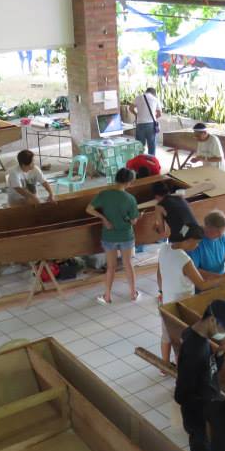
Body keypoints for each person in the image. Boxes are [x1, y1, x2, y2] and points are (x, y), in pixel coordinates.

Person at [174, 299, 225, 451]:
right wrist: (204, 414)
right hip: (199, 412)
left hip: (208, 406)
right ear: (212, 320)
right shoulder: (194, 349)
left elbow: (210, 370)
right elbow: (183, 391)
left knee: (211, 449)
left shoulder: (198, 337)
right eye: (224, 329)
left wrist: (220, 352)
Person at [159, 224, 225, 366]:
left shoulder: (164, 248)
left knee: (167, 335)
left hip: (167, 300)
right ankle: (181, 365)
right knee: (182, 337)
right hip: (182, 303)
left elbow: (161, 272)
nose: (197, 246)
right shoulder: (184, 260)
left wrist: (161, 290)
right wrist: (224, 279)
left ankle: (163, 365)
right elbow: (202, 284)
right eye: (197, 242)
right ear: (188, 240)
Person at [86, 168, 141, 304]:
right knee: (128, 264)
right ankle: (133, 293)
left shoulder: (104, 194)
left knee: (111, 266)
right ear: (128, 182)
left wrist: (103, 218)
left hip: (109, 236)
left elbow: (89, 209)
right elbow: (134, 221)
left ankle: (107, 296)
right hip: (126, 235)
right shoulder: (130, 198)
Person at [187, 210, 225, 279]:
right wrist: (219, 277)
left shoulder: (221, 236)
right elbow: (194, 270)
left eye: (223, 232)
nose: (220, 235)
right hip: (204, 281)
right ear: (208, 227)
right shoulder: (195, 242)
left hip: (219, 278)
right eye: (218, 232)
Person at [133, 87, 162, 156]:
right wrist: (154, 118)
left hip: (140, 124)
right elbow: (160, 113)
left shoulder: (138, 98)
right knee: (151, 146)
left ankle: (139, 162)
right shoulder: (155, 99)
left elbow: (131, 108)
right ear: (154, 93)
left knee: (139, 146)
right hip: (151, 125)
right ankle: (151, 163)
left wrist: (136, 115)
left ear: (146, 91)